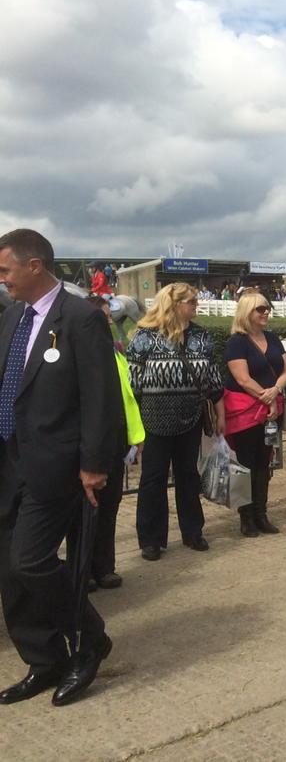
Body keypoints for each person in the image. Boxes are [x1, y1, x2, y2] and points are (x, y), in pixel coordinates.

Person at [0, 229, 121, 706]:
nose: (1, 278)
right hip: (7, 461)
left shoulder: (81, 319)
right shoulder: (10, 318)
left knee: (30, 560)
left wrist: (94, 463)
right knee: (10, 573)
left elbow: (100, 398)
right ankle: (44, 659)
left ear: (34, 266)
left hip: (55, 465)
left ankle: (90, 638)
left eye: (6, 269)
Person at [127, 283, 224, 560]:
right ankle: (151, 539)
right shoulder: (145, 338)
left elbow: (213, 379)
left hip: (191, 417)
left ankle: (193, 532)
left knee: (188, 476)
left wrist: (221, 415)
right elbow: (133, 386)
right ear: (174, 304)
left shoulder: (202, 337)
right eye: (191, 301)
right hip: (153, 420)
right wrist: (134, 429)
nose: (196, 306)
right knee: (153, 480)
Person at [70, 297, 145, 591]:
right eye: (99, 319)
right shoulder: (78, 357)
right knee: (83, 512)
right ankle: (82, 570)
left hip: (115, 443)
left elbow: (129, 402)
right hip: (86, 446)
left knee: (109, 507)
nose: (107, 323)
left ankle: (105, 567)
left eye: (107, 318)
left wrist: (137, 439)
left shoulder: (117, 356)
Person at [223, 292, 286, 537]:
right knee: (246, 464)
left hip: (271, 411)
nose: (265, 313)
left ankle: (261, 513)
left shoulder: (272, 338)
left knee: (264, 463)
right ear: (247, 312)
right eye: (260, 309)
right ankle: (247, 516)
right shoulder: (237, 343)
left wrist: (276, 390)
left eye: (267, 309)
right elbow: (242, 378)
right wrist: (267, 396)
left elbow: (285, 369)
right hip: (245, 412)